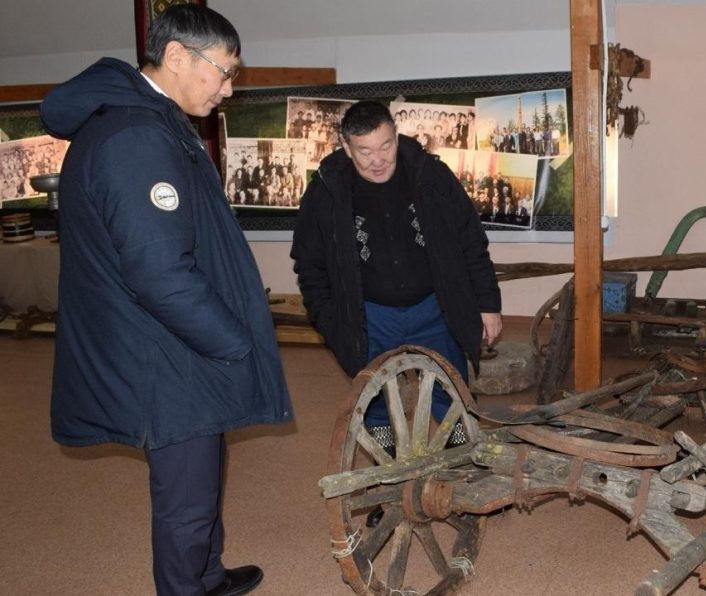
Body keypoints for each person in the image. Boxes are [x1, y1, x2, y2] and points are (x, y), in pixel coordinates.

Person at [40, 5, 292, 595]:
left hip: (176, 342)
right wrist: (234, 342)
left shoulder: (153, 122)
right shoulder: (136, 137)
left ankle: (207, 575)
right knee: (185, 499)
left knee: (202, 479)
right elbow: (159, 274)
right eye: (224, 71)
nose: (229, 88)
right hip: (165, 350)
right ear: (177, 56)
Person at [291, 101, 502, 523]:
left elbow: (471, 241)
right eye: (365, 151)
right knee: (374, 405)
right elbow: (309, 265)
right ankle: (391, 485)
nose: (378, 159)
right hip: (370, 316)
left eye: (385, 145)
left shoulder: (430, 175)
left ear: (396, 135)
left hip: (434, 308)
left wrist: (487, 304)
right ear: (346, 148)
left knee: (452, 394)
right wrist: (331, 322)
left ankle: (463, 477)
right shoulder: (327, 189)